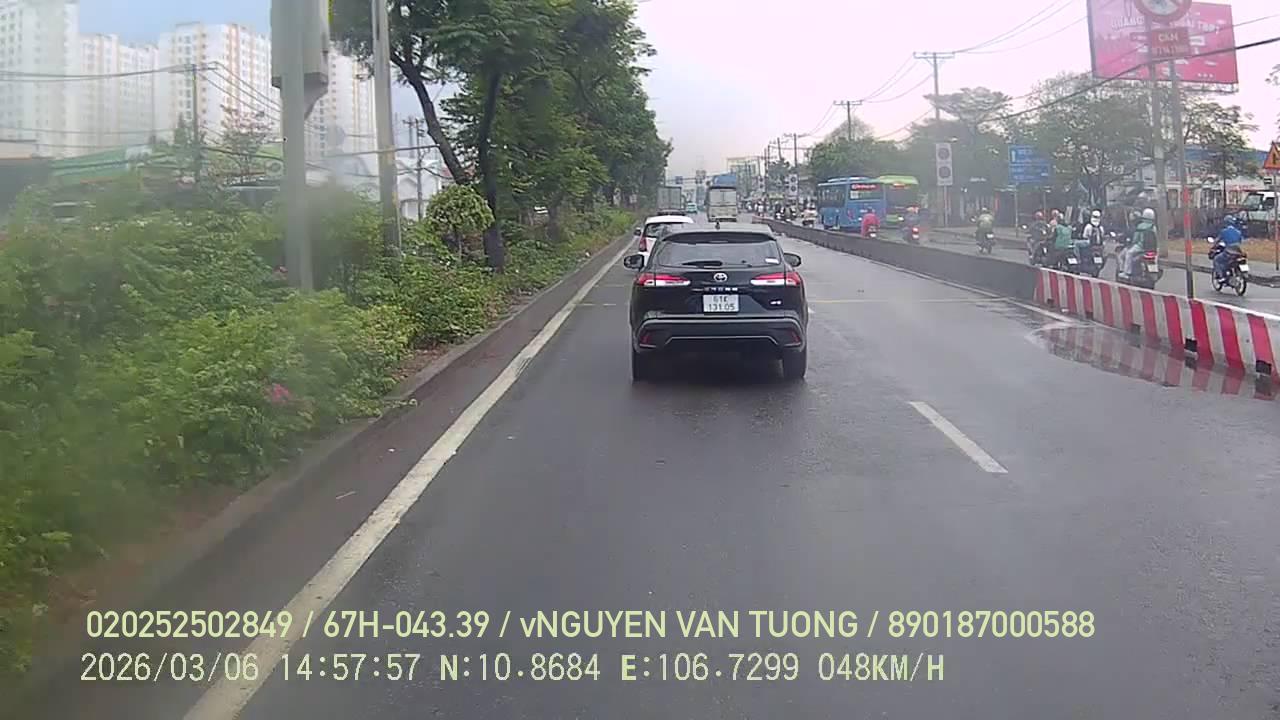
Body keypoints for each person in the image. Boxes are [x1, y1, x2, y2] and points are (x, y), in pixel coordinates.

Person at [1120, 208, 1158, 279]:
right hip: (1152, 248)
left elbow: (1136, 238)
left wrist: (1132, 244)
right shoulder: (1153, 227)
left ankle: (1127, 273)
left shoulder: (1140, 226)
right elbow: (1156, 238)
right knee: (1155, 258)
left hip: (1140, 247)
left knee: (1129, 253)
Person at [1211, 214, 1245, 280]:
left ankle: (1222, 276)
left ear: (1226, 223)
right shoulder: (1238, 232)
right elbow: (1241, 241)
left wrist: (1213, 245)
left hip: (1229, 252)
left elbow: (1217, 240)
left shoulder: (1224, 231)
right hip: (1238, 252)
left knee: (1216, 260)